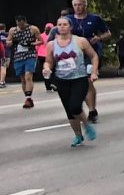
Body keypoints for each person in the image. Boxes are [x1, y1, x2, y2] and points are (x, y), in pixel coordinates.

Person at [42, 15, 99, 147]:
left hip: (79, 78)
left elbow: (94, 56)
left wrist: (94, 71)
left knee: (75, 106)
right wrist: (46, 68)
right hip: (61, 80)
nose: (61, 27)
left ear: (70, 27)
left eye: (65, 24)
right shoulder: (51, 44)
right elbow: (49, 62)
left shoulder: (80, 41)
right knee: (69, 110)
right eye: (59, 24)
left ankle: (87, 126)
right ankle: (78, 136)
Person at [64, 0, 109, 121]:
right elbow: (59, 33)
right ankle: (77, 107)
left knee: (87, 82)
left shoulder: (94, 19)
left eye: (80, 5)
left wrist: (99, 38)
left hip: (89, 54)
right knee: (74, 83)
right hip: (72, 54)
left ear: (85, 6)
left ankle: (92, 110)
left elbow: (107, 33)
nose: (78, 7)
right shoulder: (68, 19)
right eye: (75, 5)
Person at [9, 18, 37, 108]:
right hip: (18, 56)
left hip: (30, 55)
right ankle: (28, 98)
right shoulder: (13, 30)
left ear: (25, 22)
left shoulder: (33, 29)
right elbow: (7, 42)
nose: (20, 27)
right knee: (23, 79)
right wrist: (13, 42)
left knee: (28, 76)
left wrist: (31, 44)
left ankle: (28, 99)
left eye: (22, 25)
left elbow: (41, 41)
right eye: (18, 25)